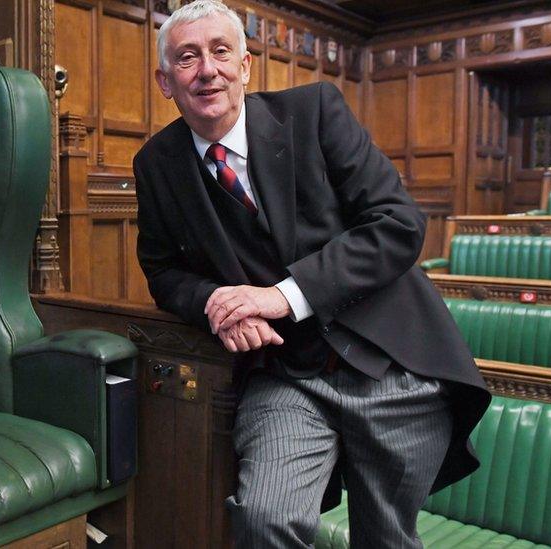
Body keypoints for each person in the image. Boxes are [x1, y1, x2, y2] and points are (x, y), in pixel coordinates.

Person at [133, 1, 491, 546]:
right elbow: (163, 271)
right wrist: (214, 302)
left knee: (387, 538)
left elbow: (398, 224)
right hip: (285, 376)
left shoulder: (315, 110)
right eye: (187, 58)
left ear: (246, 66)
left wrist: (284, 295)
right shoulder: (156, 163)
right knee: (262, 519)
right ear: (165, 81)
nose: (207, 70)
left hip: (390, 364)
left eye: (220, 51)